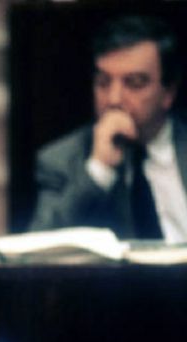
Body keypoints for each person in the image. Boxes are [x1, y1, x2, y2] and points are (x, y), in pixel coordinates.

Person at [29, 14, 187, 242]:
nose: (114, 99)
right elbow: (37, 251)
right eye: (103, 83)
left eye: (134, 83)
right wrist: (99, 170)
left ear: (168, 92)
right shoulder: (62, 160)